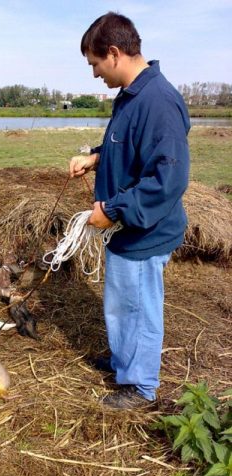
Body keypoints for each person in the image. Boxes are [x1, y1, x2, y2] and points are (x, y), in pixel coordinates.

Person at [70, 12, 190, 409]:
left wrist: (115, 211)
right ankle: (126, 361)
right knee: (123, 301)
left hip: (144, 230)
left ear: (115, 53)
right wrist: (96, 158)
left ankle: (140, 387)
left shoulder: (158, 102)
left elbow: (166, 181)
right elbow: (130, 148)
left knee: (137, 305)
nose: (94, 75)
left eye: (95, 64)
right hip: (128, 229)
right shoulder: (132, 95)